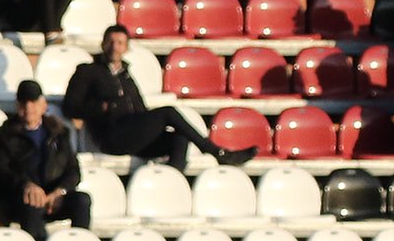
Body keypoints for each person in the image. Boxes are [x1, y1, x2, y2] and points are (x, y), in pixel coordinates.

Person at [65, 26, 257, 168]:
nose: (115, 47)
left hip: (133, 134)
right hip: (112, 136)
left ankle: (174, 184)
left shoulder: (126, 75)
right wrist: (102, 107)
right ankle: (217, 152)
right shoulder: (88, 71)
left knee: (179, 139)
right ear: (103, 44)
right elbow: (70, 106)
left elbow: (140, 110)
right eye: (111, 42)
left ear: (126, 48)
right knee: (168, 112)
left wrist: (150, 126)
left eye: (120, 43)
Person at [0, 79, 93, 241]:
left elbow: (73, 171)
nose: (29, 108)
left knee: (82, 201)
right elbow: (0, 172)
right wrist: (26, 186)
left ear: (43, 105)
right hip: (22, 198)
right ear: (17, 106)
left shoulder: (59, 132)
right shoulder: (4, 135)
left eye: (33, 102)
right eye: (24, 103)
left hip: (53, 197)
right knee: (31, 205)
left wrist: (60, 192)